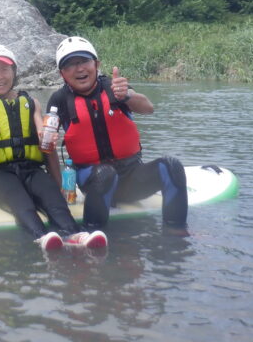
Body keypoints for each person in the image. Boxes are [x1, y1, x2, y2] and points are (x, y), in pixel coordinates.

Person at [0, 44, 107, 252]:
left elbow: (43, 137)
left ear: (14, 72)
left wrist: (46, 137)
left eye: (4, 70)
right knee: (23, 205)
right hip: (0, 176)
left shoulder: (31, 102)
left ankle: (76, 234)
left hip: (32, 170)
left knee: (54, 201)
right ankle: (42, 238)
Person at [45, 36, 188, 233]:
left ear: (96, 64)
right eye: (70, 65)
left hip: (131, 177)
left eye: (84, 61)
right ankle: (91, 235)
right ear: (62, 74)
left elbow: (148, 108)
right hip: (93, 180)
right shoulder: (59, 100)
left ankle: (177, 235)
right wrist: (58, 185)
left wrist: (127, 95)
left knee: (172, 166)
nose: (79, 69)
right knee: (105, 174)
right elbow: (46, 145)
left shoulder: (115, 88)